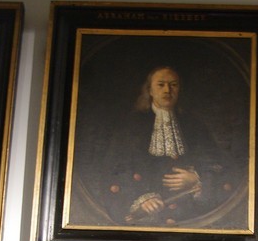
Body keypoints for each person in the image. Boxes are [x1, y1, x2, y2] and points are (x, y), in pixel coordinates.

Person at [95, 66, 236, 226]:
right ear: (150, 90)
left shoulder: (194, 124)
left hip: (189, 213)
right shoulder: (132, 125)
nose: (167, 90)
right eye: (161, 85)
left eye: (173, 85)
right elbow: (115, 171)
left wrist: (197, 178)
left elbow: (216, 164)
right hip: (149, 215)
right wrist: (142, 200)